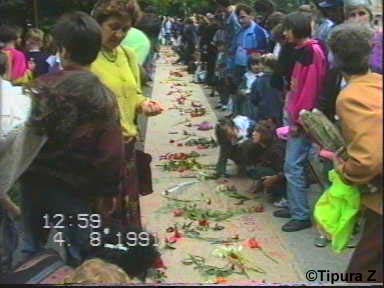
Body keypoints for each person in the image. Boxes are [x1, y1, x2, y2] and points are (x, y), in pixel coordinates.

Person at [18, 12, 125, 267]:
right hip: (79, 191)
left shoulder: (39, 88)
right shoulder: (103, 97)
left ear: (62, 49)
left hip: (34, 184)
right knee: (83, 252)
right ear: (96, 50)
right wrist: (108, 192)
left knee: (30, 248)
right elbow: (110, 154)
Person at [90, 0, 164, 229]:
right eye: (114, 27)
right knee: (103, 212)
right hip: (100, 150)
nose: (120, 34)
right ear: (97, 24)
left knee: (127, 208)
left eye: (126, 29)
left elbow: (135, 94)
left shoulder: (128, 54)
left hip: (127, 146)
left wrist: (144, 105)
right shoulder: (87, 57)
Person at [327, 22, 382, 283]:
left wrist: (345, 169)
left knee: (360, 273)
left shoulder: (351, 96)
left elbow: (368, 159)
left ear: (335, 58)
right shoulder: (377, 83)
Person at [273, 12, 328, 232]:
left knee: (293, 165)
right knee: (295, 163)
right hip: (294, 110)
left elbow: (310, 90)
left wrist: (299, 120)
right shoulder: (299, 50)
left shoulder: (312, 52)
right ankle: (294, 204)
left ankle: (301, 214)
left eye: (287, 28)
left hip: (302, 117)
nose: (284, 33)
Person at [230, 4, 269, 85]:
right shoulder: (239, 31)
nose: (240, 20)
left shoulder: (259, 32)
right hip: (238, 67)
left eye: (243, 17)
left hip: (251, 70)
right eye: (239, 18)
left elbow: (262, 54)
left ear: (251, 15)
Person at [344, 0, 382, 74]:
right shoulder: (344, 43)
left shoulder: (379, 40)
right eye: (352, 15)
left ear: (371, 17)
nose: (357, 19)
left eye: (362, 14)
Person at [250, 54, 284, 124]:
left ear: (264, 65)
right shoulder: (282, 79)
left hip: (263, 116)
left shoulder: (258, 81)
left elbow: (254, 99)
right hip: (280, 114)